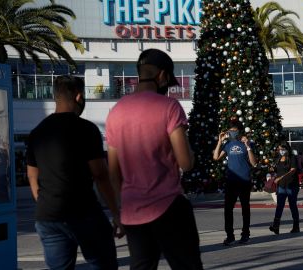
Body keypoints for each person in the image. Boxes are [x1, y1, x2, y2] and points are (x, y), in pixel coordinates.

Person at [106, 49, 203, 270]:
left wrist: (118, 211)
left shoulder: (116, 112)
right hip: (168, 205)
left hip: (132, 212)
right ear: (162, 76)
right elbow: (185, 163)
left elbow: (113, 172)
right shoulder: (169, 107)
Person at [26, 75, 122, 270]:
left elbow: (32, 176)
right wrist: (116, 213)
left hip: (47, 217)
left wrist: (45, 203)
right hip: (84, 213)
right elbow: (100, 175)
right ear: (79, 97)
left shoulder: (36, 132)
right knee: (104, 264)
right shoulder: (86, 129)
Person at [213, 121, 257, 246]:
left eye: (234, 130)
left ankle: (245, 234)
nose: (232, 132)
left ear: (239, 131)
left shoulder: (246, 143)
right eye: (230, 130)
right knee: (228, 210)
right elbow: (216, 157)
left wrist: (248, 146)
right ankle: (230, 236)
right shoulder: (227, 144)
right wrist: (219, 142)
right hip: (231, 181)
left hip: (244, 181)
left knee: (245, 209)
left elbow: (254, 163)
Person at [269, 143, 300, 234]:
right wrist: (273, 170)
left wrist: (281, 177)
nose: (280, 151)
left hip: (291, 185)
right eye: (279, 149)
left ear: (287, 149)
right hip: (281, 186)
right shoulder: (278, 158)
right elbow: (277, 170)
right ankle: (276, 226)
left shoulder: (292, 157)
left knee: (292, 205)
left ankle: (296, 226)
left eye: (282, 149)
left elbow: (293, 170)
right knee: (279, 206)